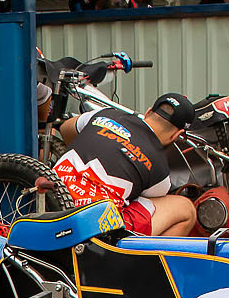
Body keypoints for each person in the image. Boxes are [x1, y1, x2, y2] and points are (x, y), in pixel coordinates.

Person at [49, 93, 202, 237]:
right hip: (93, 228)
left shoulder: (105, 114)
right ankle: (143, 262)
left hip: (51, 198)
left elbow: (65, 128)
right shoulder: (160, 173)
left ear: (148, 112)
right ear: (176, 135)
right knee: (185, 208)